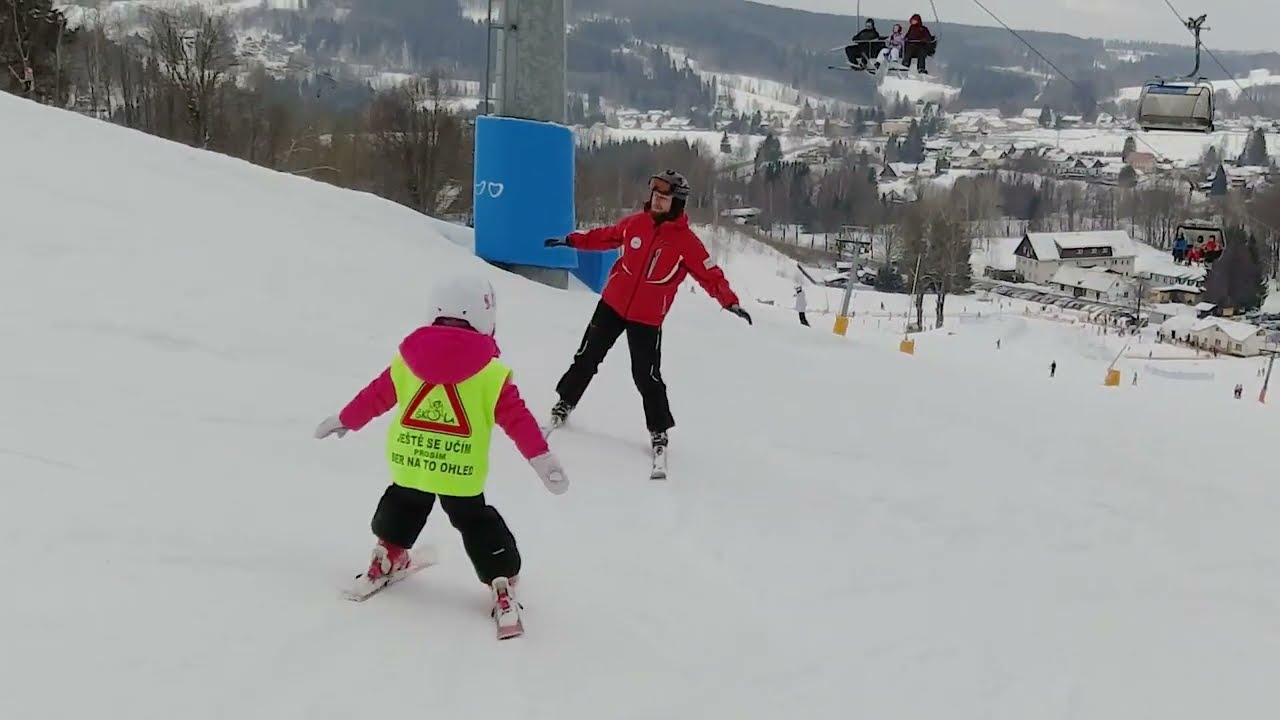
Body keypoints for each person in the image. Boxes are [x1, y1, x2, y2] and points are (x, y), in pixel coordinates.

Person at [313, 274, 569, 618]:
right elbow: (518, 420)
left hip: (411, 460)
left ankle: (388, 554)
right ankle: (501, 578)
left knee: (403, 502)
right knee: (474, 520)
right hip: (459, 470)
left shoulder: (407, 361)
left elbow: (375, 396)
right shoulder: (490, 374)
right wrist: (542, 459)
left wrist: (346, 419)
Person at [543, 170, 752, 457]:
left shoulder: (686, 242)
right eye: (655, 195)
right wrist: (571, 240)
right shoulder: (635, 224)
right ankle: (565, 402)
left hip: (647, 317)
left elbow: (709, 274)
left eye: (664, 198)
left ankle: (658, 429)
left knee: (646, 375)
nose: (657, 201)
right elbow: (605, 237)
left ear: (677, 203)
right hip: (612, 304)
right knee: (587, 356)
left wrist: (730, 301)